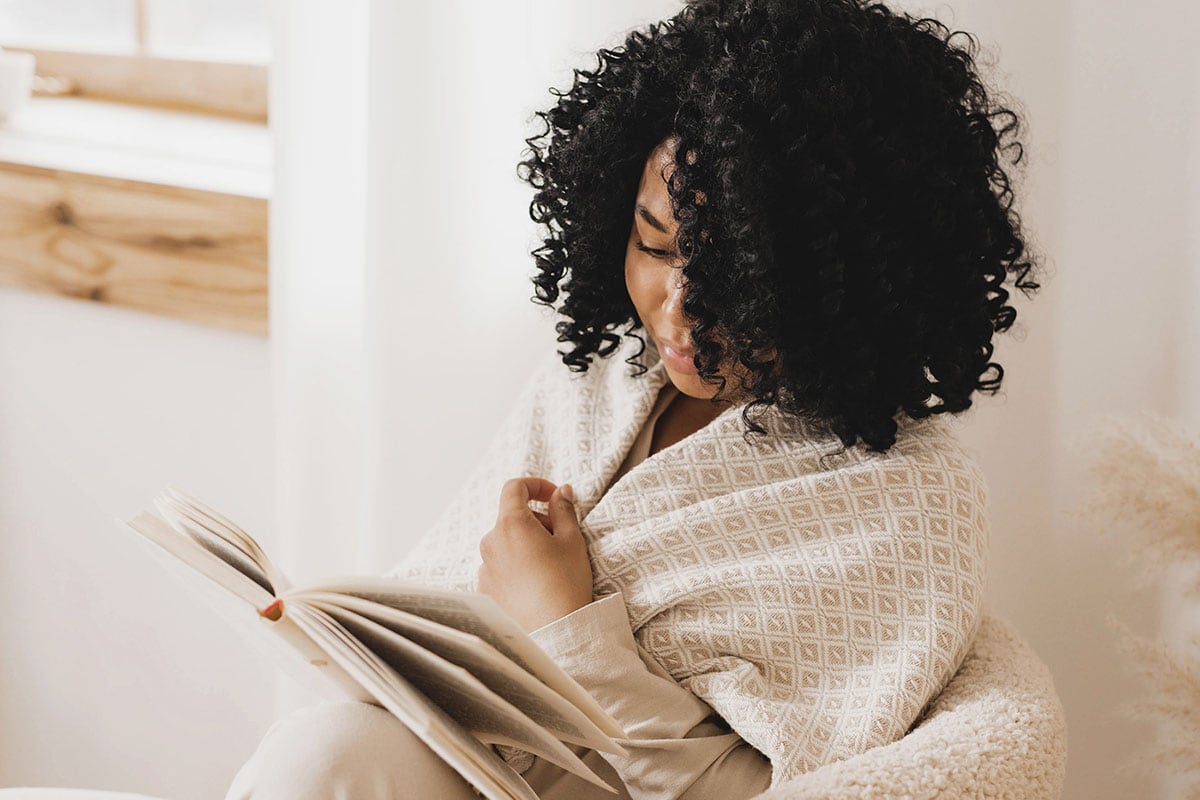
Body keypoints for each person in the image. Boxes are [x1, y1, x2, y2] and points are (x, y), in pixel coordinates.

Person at [225, 0, 1038, 798]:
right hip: (470, 765)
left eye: (739, 283)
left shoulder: (912, 498)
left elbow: (769, 789)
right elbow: (448, 604)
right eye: (654, 244)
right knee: (323, 750)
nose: (678, 312)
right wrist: (351, 635)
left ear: (849, 285)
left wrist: (561, 623)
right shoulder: (601, 378)